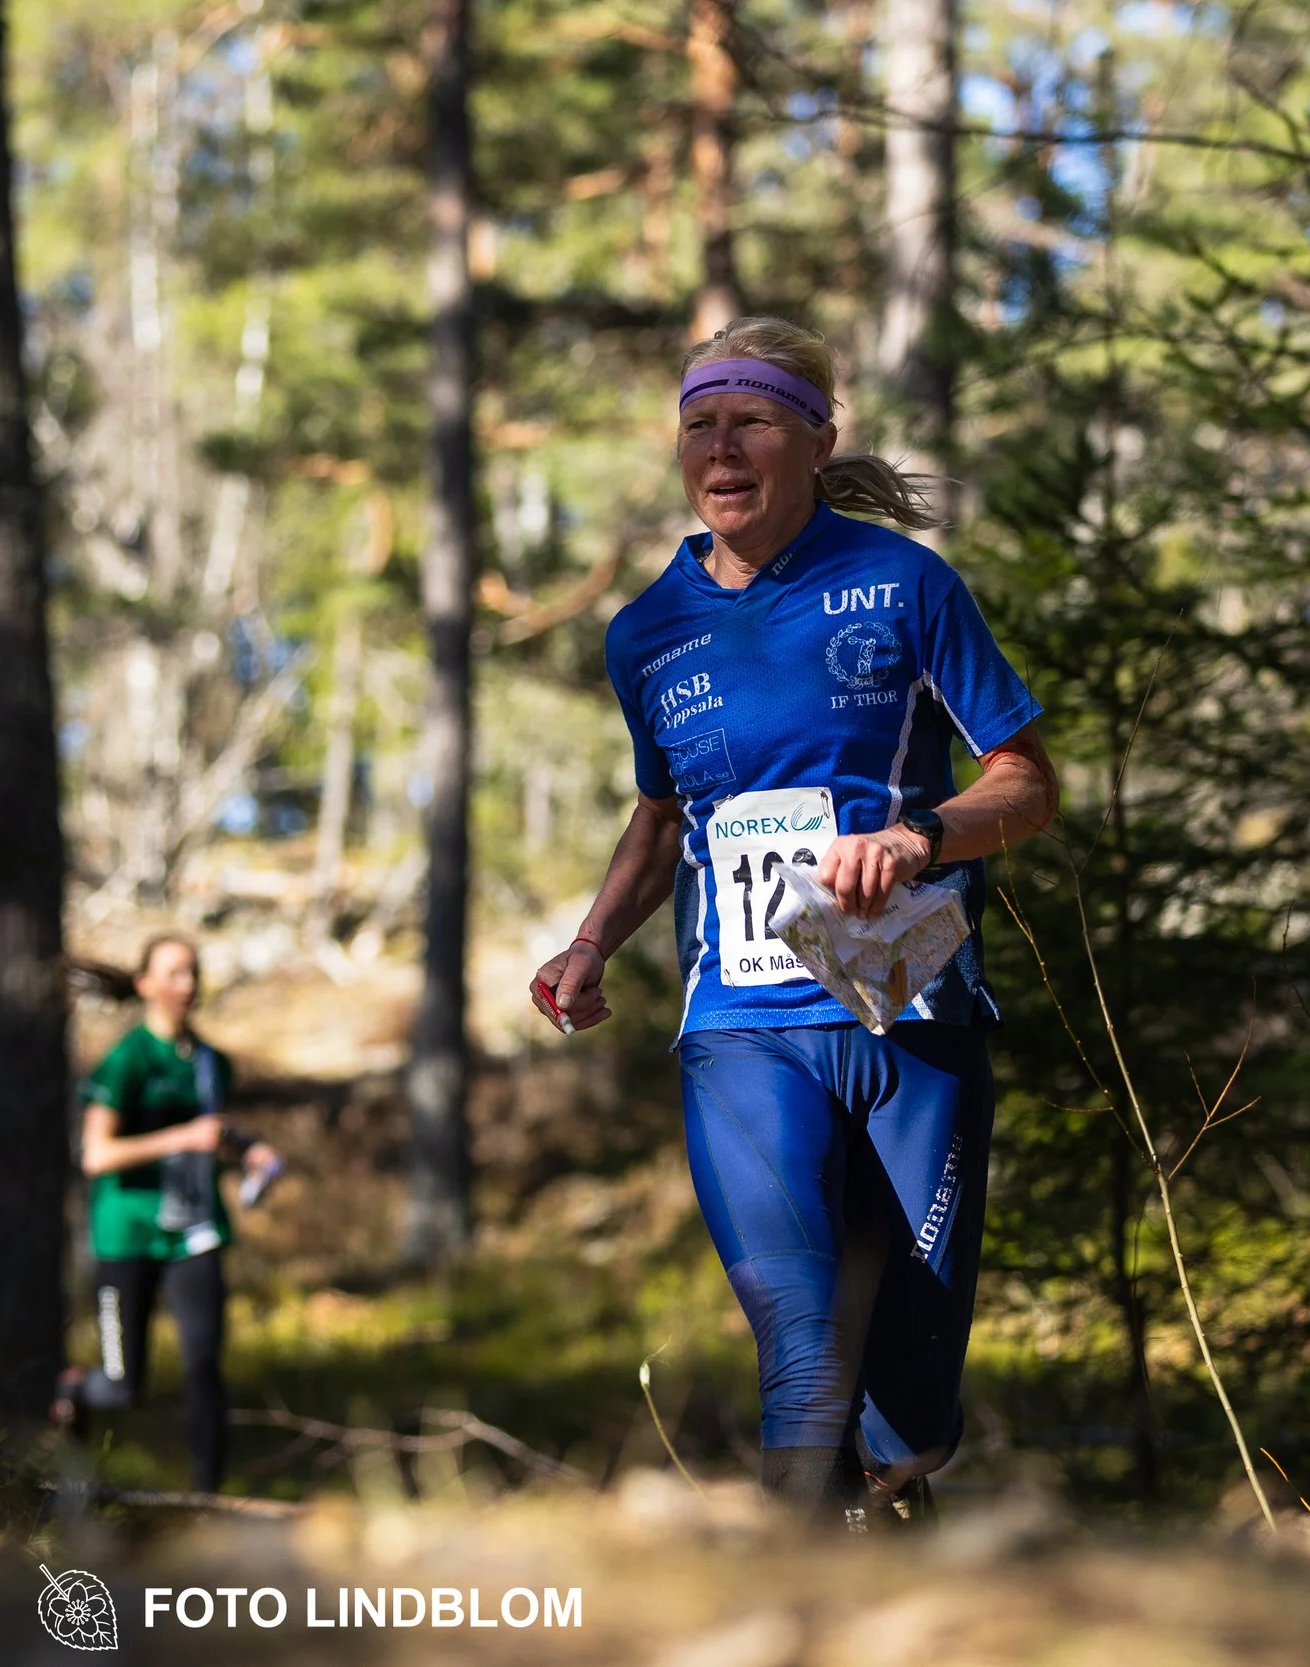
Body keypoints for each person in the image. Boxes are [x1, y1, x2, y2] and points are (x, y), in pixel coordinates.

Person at [531, 318, 1059, 1528]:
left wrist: (920, 834)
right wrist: (590, 942)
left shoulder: (904, 583)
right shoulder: (645, 632)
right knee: (803, 1332)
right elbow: (663, 818)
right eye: (698, 424)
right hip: (743, 1027)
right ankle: (802, 1588)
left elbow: (1025, 780)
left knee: (911, 1408)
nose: (720, 447)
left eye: (751, 420)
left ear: (816, 440)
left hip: (911, 1017)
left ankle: (886, 1511)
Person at [54, 935, 279, 1493]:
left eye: (193, 972)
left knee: (204, 1367)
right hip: (125, 1234)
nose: (187, 984)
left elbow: (210, 1129)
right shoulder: (125, 1061)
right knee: (122, 1386)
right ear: (145, 984)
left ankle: (210, 1496)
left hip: (195, 1232)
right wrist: (182, 1137)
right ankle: (72, 1394)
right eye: (174, 973)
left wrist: (248, 1149)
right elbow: (96, 1155)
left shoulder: (210, 1062)